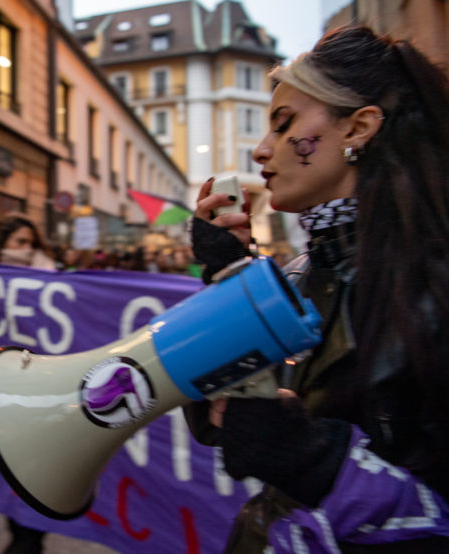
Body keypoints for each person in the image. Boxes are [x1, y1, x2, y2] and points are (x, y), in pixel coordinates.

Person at [186, 26, 449, 552]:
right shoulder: (300, 273)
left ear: (359, 127)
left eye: (284, 125)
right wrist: (228, 283)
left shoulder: (434, 286)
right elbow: (220, 422)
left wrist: (317, 460)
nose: (261, 151)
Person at [0, 212, 54, 553]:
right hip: (0, 402)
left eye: (32, 243)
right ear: (0, 244)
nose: (28, 250)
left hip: (40, 401)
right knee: (12, 480)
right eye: (20, 242)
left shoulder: (49, 282)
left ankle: (27, 540)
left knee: (34, 484)